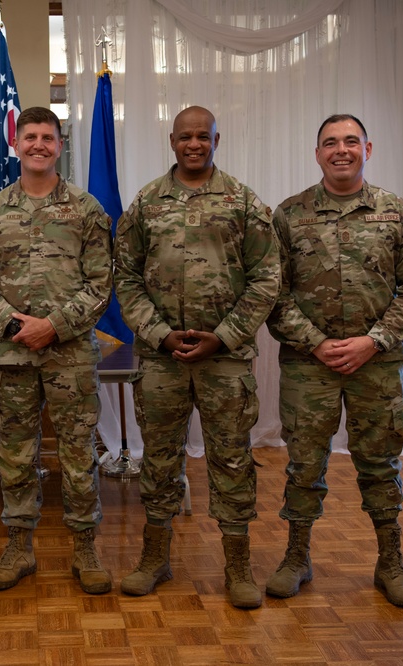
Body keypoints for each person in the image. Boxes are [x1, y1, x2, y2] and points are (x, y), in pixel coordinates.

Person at [113, 106, 280, 609]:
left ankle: (238, 566)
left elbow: (267, 276)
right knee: (159, 459)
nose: (193, 144)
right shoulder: (146, 203)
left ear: (216, 140)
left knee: (231, 459)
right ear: (171, 141)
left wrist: (224, 336)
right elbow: (125, 278)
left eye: (202, 137)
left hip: (224, 359)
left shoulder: (243, 202)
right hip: (160, 358)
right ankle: (154, 558)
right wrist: (160, 334)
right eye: (185, 136)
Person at [265, 114, 403, 608]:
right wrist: (315, 341)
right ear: (317, 153)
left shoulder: (396, 212)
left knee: (379, 464)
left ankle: (390, 562)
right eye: (331, 143)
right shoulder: (289, 215)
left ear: (368, 149)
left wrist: (374, 340)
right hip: (307, 364)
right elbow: (272, 291)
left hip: (377, 364)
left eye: (351, 142)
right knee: (303, 465)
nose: (342, 150)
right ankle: (296, 557)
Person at [0, 106, 113, 594]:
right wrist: (17, 325)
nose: (38, 145)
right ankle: (18, 546)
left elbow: (100, 285)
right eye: (29, 137)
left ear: (59, 144)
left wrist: (53, 326)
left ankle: (85, 547)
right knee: (14, 453)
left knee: (77, 452)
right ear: (15, 143)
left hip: (70, 355)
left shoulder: (87, 210)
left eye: (47, 138)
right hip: (12, 356)